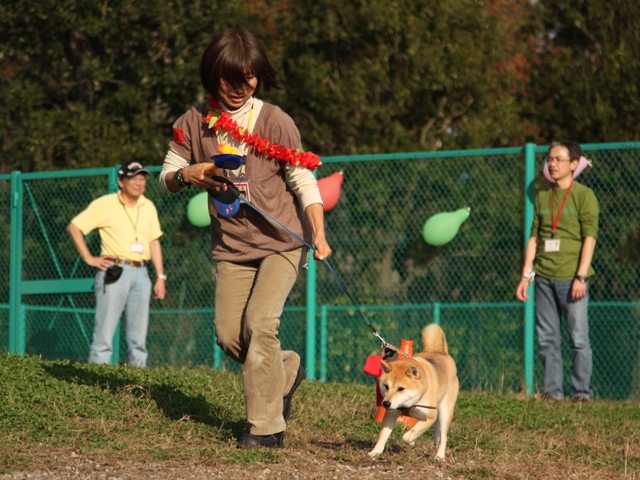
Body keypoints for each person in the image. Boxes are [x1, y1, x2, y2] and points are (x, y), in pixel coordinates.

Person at [159, 28, 331, 449]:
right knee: (229, 335)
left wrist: (320, 234)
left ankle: (265, 428)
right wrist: (188, 174)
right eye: (230, 79)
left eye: (249, 79)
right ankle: (287, 369)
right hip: (232, 248)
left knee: (260, 325)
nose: (240, 88)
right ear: (212, 74)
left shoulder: (275, 122)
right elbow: (166, 175)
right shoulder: (193, 122)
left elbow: (304, 181)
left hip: (282, 243)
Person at [516, 140, 600, 403]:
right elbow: (534, 238)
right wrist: (526, 276)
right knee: (547, 339)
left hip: (572, 279)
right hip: (543, 278)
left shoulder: (584, 195)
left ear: (574, 164)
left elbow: (590, 237)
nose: (552, 164)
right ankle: (553, 392)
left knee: (578, 338)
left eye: (558, 159)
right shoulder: (543, 196)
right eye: (549, 159)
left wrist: (581, 276)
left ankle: (581, 393)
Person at [68, 160, 166, 367]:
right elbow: (74, 227)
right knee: (104, 334)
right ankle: (96, 378)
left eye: (142, 178)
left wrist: (160, 277)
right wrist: (89, 258)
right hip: (115, 271)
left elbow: (154, 242)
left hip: (142, 273)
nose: (139, 183)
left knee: (138, 336)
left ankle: (138, 382)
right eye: (134, 178)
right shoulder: (105, 203)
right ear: (121, 181)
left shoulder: (148, 206)